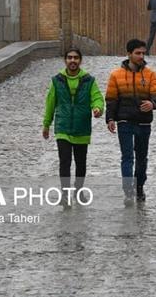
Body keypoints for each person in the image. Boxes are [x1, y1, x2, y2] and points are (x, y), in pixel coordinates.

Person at [42, 47, 104, 209]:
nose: (72, 60)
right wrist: (46, 124)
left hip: (82, 127)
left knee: (81, 162)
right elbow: (50, 102)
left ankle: (78, 190)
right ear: (65, 60)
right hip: (62, 127)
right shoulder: (57, 80)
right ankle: (64, 194)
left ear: (80, 61)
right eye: (69, 57)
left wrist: (98, 108)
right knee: (65, 161)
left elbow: (97, 97)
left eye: (76, 58)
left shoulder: (89, 80)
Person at [105, 39, 156, 204]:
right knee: (127, 157)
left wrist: (152, 103)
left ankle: (139, 186)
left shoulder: (150, 74)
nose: (141, 56)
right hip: (124, 121)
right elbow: (111, 99)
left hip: (144, 122)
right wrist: (110, 118)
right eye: (137, 53)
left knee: (141, 157)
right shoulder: (116, 75)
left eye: (143, 53)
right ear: (129, 54)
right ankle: (128, 189)